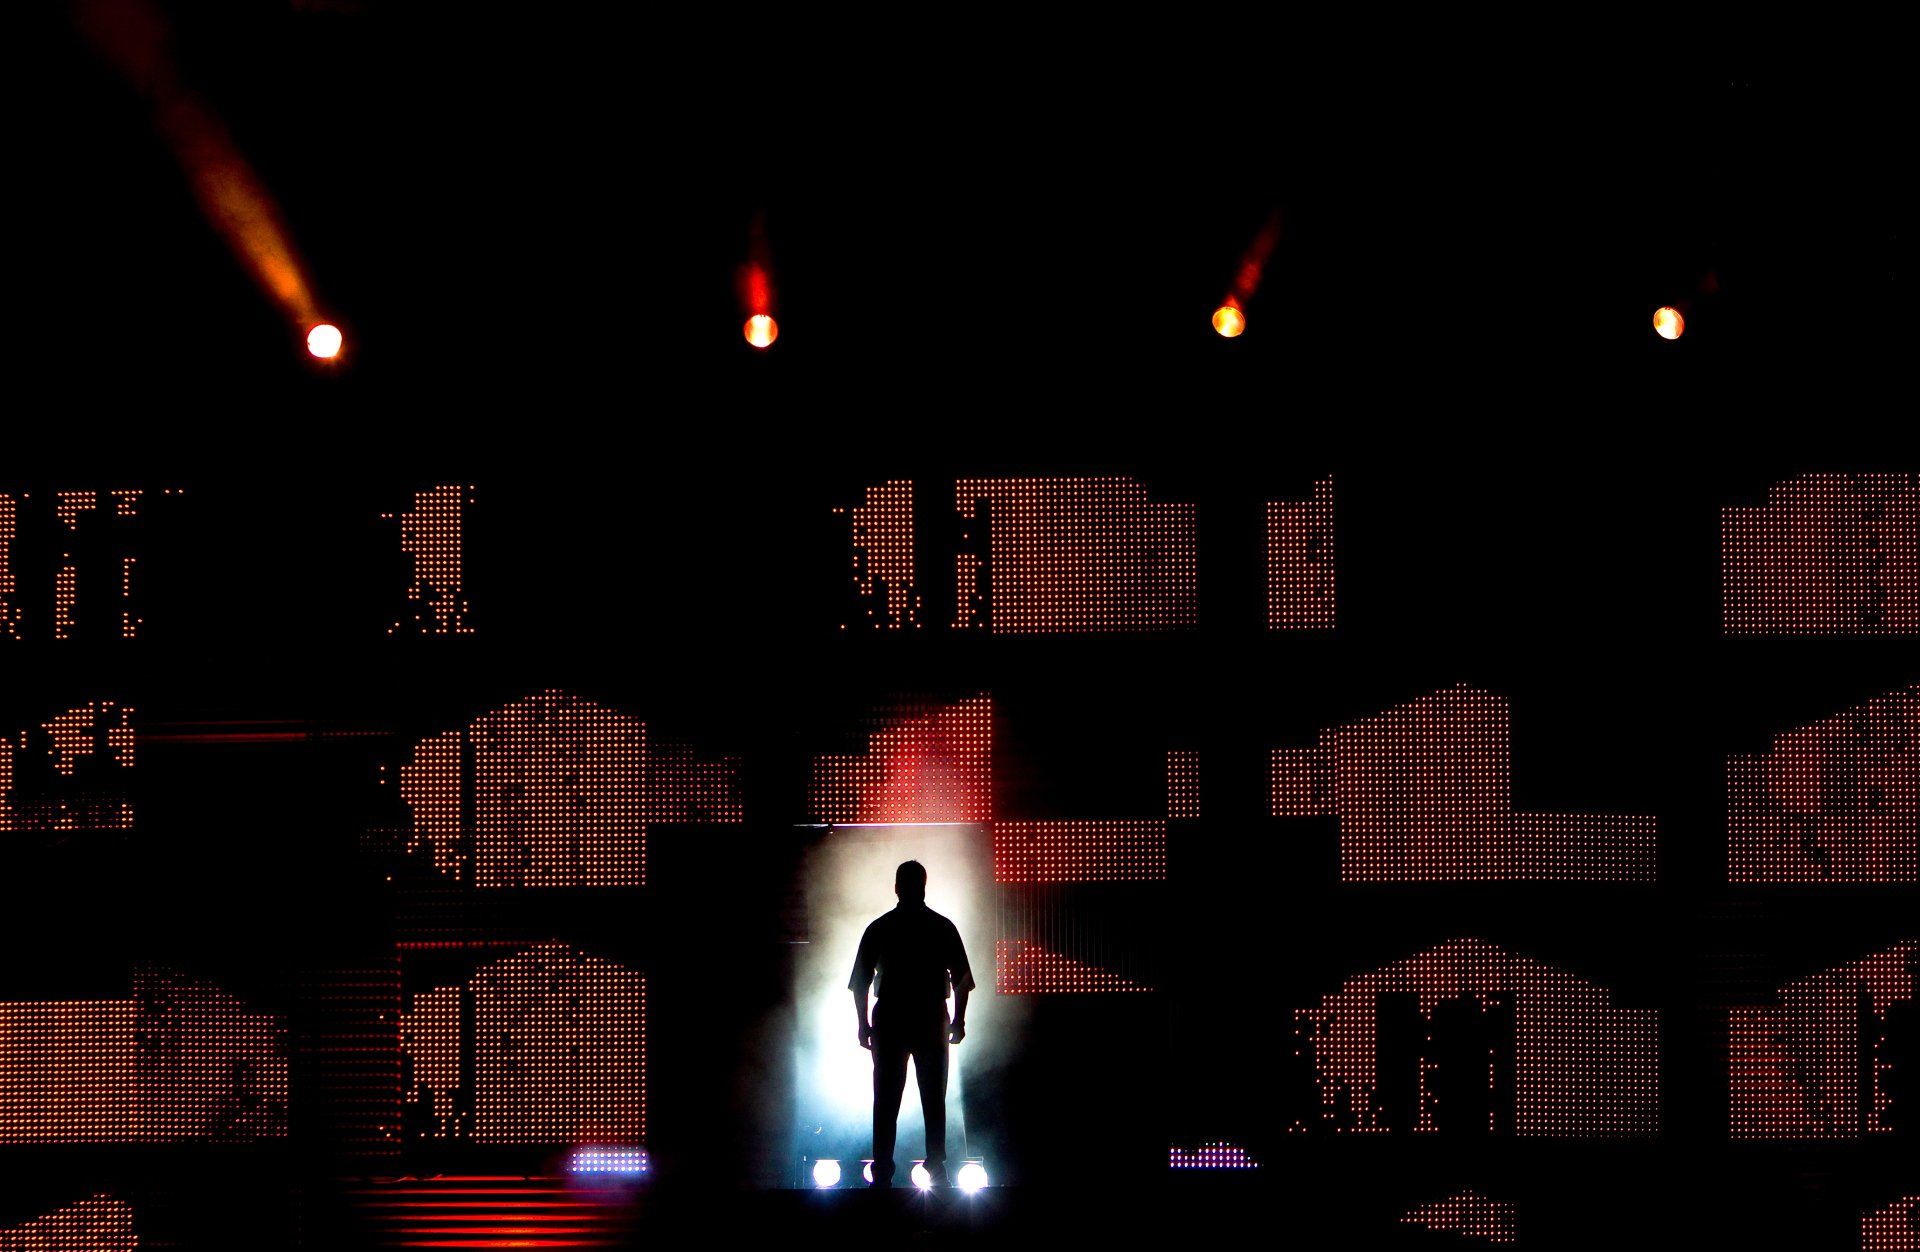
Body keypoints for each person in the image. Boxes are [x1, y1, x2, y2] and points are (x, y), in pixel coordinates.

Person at [848, 860, 974, 1187]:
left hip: (890, 1017)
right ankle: (936, 1164)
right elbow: (961, 980)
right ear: (924, 885)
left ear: (896, 887)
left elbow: (861, 981)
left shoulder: (880, 927)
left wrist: (863, 1024)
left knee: (886, 1097)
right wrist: (958, 1019)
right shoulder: (941, 927)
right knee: (934, 1096)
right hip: (930, 1016)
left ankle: (882, 1169)